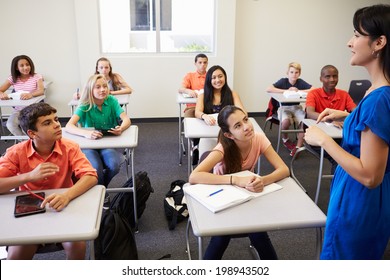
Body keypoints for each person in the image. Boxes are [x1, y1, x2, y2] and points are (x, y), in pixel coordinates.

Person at [304, 4, 390, 259]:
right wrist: (350, 116)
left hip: (359, 200)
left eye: (356, 34)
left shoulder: (378, 99)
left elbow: (370, 174)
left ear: (379, 42)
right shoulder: (379, 93)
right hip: (369, 201)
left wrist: (325, 140)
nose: (349, 42)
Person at [189, 105, 289, 259]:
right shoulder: (223, 148)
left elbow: (283, 169)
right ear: (229, 135)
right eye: (238, 126)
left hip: (247, 197)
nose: (247, 127)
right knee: (221, 237)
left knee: (259, 234)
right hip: (223, 199)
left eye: (246, 120)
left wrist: (263, 180)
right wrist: (235, 180)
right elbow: (194, 177)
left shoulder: (259, 139)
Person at [0, 102, 98, 259]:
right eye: (48, 122)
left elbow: (90, 176)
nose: (57, 125)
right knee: (16, 254)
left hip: (62, 206)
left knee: (77, 245)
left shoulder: (69, 147)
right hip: (29, 209)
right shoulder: (16, 152)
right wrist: (29, 176)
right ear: (32, 134)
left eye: (56, 119)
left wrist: (67, 195)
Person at [66, 74, 131, 187]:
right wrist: (86, 133)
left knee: (114, 165)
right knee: (95, 168)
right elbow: (69, 126)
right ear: (90, 90)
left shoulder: (111, 100)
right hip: (90, 144)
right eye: (98, 87)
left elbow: (126, 120)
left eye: (105, 86)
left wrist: (121, 128)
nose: (103, 90)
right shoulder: (85, 104)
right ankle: (101, 193)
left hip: (107, 142)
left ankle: (101, 188)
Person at [304, 65, 357, 173]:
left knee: (354, 153)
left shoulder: (344, 94)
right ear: (321, 79)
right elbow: (310, 113)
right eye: (327, 76)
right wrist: (331, 120)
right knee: (339, 158)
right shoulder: (313, 93)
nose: (332, 79)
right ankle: (338, 188)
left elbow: (355, 112)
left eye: (335, 76)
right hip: (316, 137)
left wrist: (344, 118)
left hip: (339, 136)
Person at [194, 65, 245, 165]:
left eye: (220, 76)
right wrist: (204, 116)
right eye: (214, 78)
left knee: (229, 160)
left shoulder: (232, 94)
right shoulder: (203, 95)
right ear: (209, 80)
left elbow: (243, 112)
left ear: (225, 77)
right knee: (206, 159)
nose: (217, 80)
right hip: (208, 132)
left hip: (229, 133)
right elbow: (197, 112)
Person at [266, 62, 313, 156]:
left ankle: (298, 147)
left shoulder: (300, 82)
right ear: (287, 73)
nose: (294, 74)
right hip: (283, 107)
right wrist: (286, 91)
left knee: (304, 123)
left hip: (296, 108)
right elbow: (269, 88)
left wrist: (298, 90)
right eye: (291, 72)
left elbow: (314, 89)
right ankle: (285, 139)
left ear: (299, 73)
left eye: (296, 72)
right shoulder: (283, 81)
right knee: (286, 122)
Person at [0, 55, 44, 136]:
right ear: (17, 68)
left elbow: (41, 91)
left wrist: (30, 94)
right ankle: (24, 143)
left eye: (27, 64)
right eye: (22, 65)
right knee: (10, 125)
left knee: (26, 128)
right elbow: (0, 90)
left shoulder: (37, 76)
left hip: (33, 110)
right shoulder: (13, 78)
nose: (26, 67)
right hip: (19, 110)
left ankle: (29, 143)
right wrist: (2, 95)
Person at [178, 53, 208, 118]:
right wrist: (188, 91)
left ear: (207, 64)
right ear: (195, 64)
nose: (202, 64)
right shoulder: (190, 76)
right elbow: (180, 89)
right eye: (200, 62)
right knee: (189, 122)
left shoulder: (211, 76)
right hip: (192, 107)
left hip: (208, 106)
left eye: (205, 62)